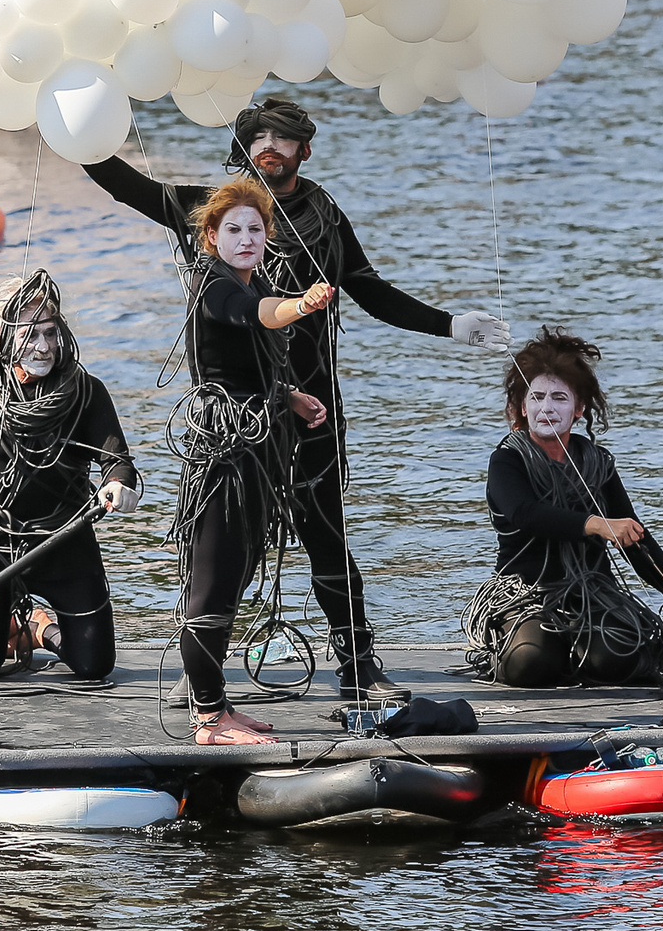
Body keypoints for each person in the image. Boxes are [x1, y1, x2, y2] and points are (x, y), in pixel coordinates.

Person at [81, 96, 512, 702]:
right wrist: (78, 125)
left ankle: (358, 667)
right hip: (232, 417)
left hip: (312, 409)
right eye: (259, 137)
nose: (271, 149)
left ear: (305, 150)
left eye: (284, 140)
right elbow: (122, 183)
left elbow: (370, 290)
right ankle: (200, 675)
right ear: (242, 145)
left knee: (326, 532)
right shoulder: (214, 211)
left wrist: (450, 325)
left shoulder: (325, 215)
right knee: (219, 543)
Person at [169, 180, 336, 744]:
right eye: (233, 230)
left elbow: (249, 359)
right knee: (212, 583)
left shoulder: (253, 276)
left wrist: (288, 394)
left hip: (260, 447)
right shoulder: (212, 283)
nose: (246, 239)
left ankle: (217, 704)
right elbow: (253, 315)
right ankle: (208, 719)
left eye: (256, 229)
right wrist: (300, 305)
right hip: (223, 452)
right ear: (212, 237)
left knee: (237, 575)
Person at [465, 329, 663, 689]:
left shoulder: (597, 463)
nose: (546, 407)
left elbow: (633, 535)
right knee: (531, 664)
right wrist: (596, 524)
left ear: (578, 409)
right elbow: (524, 513)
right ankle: (531, 649)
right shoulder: (507, 460)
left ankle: (584, 653)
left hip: (594, 593)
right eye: (536, 397)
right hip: (526, 593)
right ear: (522, 407)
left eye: (559, 398)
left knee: (615, 657)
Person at [0, 272, 142, 682]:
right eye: (31, 334)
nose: (44, 346)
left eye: (51, 333)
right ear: (4, 336)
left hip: (65, 542)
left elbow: (118, 462)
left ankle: (39, 629)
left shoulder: (87, 392)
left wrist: (119, 486)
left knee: (93, 667)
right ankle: (11, 618)